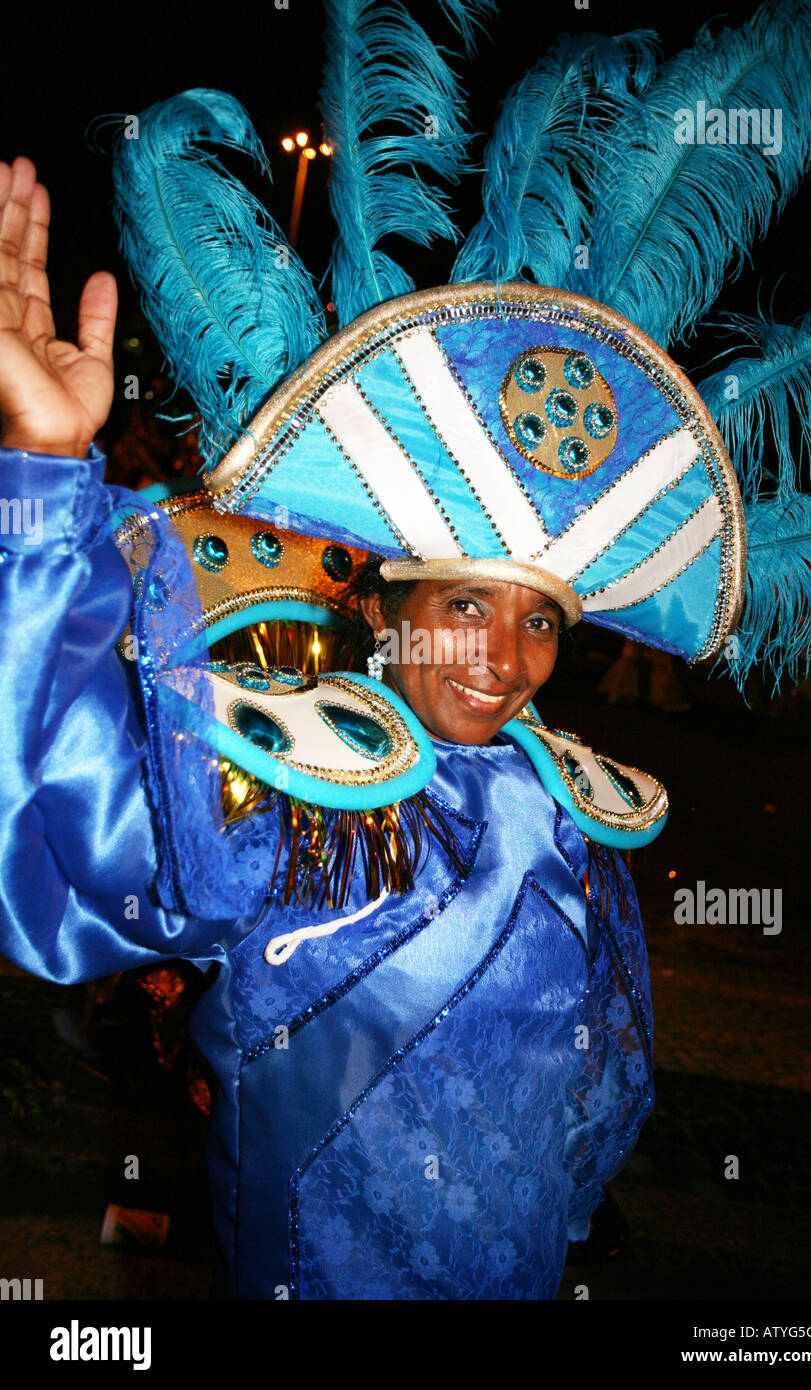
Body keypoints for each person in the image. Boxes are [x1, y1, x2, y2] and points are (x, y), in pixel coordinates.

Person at [0, 155, 667, 1299]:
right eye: (464, 603)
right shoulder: (287, 794)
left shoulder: (568, 818)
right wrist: (45, 477)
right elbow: (62, 849)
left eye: (540, 620)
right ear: (380, 604)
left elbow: (596, 1094)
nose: (505, 661)